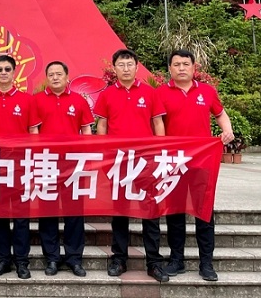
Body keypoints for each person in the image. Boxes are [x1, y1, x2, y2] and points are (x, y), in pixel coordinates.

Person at [157, 49, 234, 282]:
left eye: (185, 64)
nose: (181, 68)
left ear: (193, 67)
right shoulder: (160, 93)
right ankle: (176, 260)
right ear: (169, 68)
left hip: (202, 161)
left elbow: (220, 114)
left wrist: (227, 130)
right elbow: (157, 123)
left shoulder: (207, 91)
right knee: (175, 212)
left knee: (204, 212)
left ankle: (206, 263)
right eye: (176, 64)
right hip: (174, 162)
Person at [94, 49, 168, 283]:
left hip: (146, 162)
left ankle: (154, 263)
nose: (125, 69)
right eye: (121, 65)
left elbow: (158, 124)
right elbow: (102, 126)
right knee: (120, 213)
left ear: (137, 67)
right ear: (114, 68)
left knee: (151, 213)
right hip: (118, 161)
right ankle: (119, 259)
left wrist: (159, 154)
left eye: (129, 64)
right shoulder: (106, 94)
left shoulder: (150, 92)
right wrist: (104, 156)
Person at [31, 61, 93, 278]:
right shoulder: (36, 100)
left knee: (74, 213)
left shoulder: (79, 100)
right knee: (47, 212)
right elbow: (33, 132)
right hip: (46, 163)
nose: (55, 77)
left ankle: (74, 258)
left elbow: (86, 130)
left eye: (59, 74)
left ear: (67, 77)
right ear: (46, 78)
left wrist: (87, 158)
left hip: (73, 164)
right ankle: (52, 258)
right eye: (51, 74)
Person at [0, 55, 35, 280]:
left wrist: (32, 162)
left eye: (7, 69)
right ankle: (2, 259)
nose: (3, 73)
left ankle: (22, 261)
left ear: (14, 73)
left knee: (22, 216)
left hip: (21, 165)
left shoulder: (27, 100)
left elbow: (34, 133)